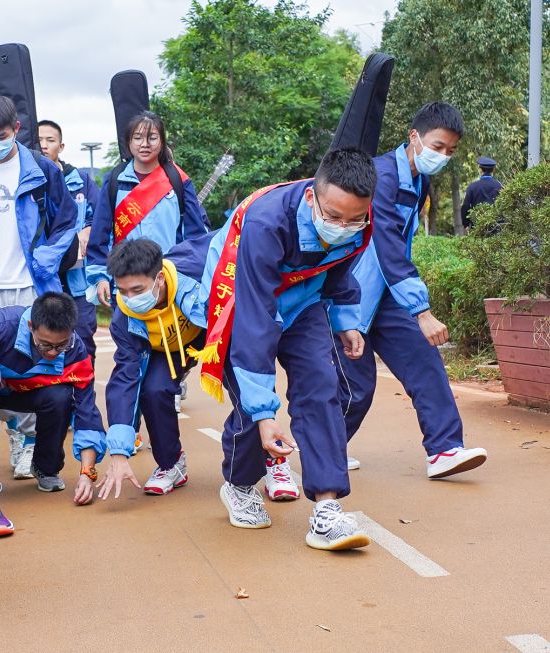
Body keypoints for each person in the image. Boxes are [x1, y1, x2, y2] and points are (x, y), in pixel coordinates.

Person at [188, 148, 376, 550]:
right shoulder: (266, 223)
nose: (344, 226)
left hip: (303, 304)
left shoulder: (361, 220)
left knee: (320, 387)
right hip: (240, 301)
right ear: (312, 197)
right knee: (250, 408)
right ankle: (239, 484)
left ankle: (327, 510)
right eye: (333, 216)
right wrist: (264, 412)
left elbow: (340, 270)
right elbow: (254, 317)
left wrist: (346, 322)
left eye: (353, 218)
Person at [336, 102, 487, 477]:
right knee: (357, 387)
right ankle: (324, 446)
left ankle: (444, 450)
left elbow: (400, 248)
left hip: (388, 295)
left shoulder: (420, 181)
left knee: (424, 361)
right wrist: (422, 310)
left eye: (450, 151)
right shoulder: (381, 176)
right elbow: (386, 245)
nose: (443, 156)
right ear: (414, 137)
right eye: (437, 147)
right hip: (349, 296)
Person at [0, 95, 78, 480]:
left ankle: (30, 446)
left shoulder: (43, 170)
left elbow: (67, 221)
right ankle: (5, 441)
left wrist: (46, 256)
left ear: (16, 131)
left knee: (40, 366)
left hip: (33, 284)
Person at [86, 110, 209, 448]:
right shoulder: (113, 182)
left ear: (161, 140)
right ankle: (130, 429)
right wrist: (99, 277)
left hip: (169, 285)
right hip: (130, 286)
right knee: (130, 359)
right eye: (138, 137)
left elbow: (196, 236)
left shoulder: (177, 180)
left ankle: (171, 382)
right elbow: (100, 235)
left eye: (151, 137)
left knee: (168, 352)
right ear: (128, 142)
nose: (145, 143)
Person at [102, 238, 208, 495]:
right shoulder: (124, 317)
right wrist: (118, 452)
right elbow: (126, 378)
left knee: (243, 378)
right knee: (153, 391)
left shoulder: (198, 268)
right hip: (166, 350)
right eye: (122, 291)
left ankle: (273, 459)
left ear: (159, 278)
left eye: (137, 290)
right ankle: (171, 464)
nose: (129, 299)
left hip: (210, 331)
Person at [0, 292, 107, 503]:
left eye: (61, 345)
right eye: (45, 344)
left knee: (62, 397)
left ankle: (45, 467)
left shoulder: (76, 351)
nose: (53, 352)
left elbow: (87, 411)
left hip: (32, 394)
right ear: (31, 326)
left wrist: (87, 473)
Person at [38, 119, 101, 362]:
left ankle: (83, 395)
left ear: (61, 146)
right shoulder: (26, 179)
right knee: (44, 342)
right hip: (41, 278)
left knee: (83, 338)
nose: (44, 145)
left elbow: (101, 219)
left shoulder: (81, 181)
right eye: (40, 140)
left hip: (76, 280)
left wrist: (88, 229)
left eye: (50, 140)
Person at [461, 155, 502, 230]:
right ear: (493, 170)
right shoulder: (499, 186)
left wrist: (466, 224)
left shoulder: (473, 187)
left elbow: (465, 206)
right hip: (496, 227)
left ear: (480, 170)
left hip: (477, 227)